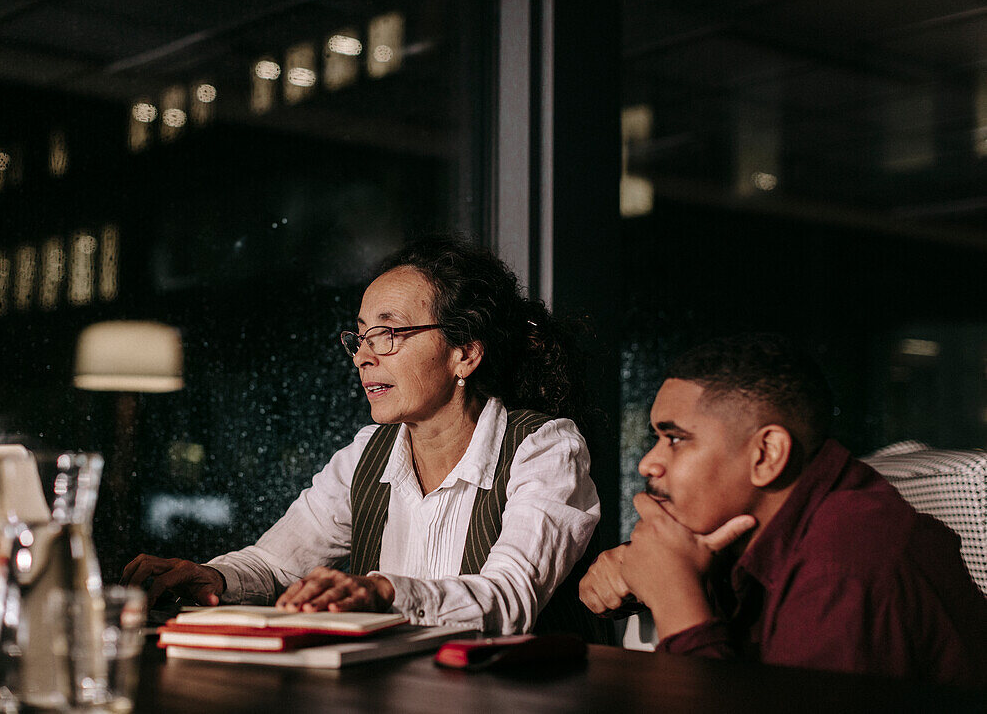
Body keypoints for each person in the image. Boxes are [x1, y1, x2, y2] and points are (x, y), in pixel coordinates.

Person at [123, 236, 603, 637]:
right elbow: (276, 565)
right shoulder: (367, 452)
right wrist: (214, 576)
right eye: (360, 336)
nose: (364, 357)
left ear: (465, 353)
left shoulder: (544, 448)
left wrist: (384, 592)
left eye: (388, 334)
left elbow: (510, 598)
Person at [579, 333, 987, 685]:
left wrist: (676, 597)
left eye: (676, 439)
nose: (648, 463)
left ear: (766, 454)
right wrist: (650, 573)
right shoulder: (769, 526)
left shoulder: (845, 562)